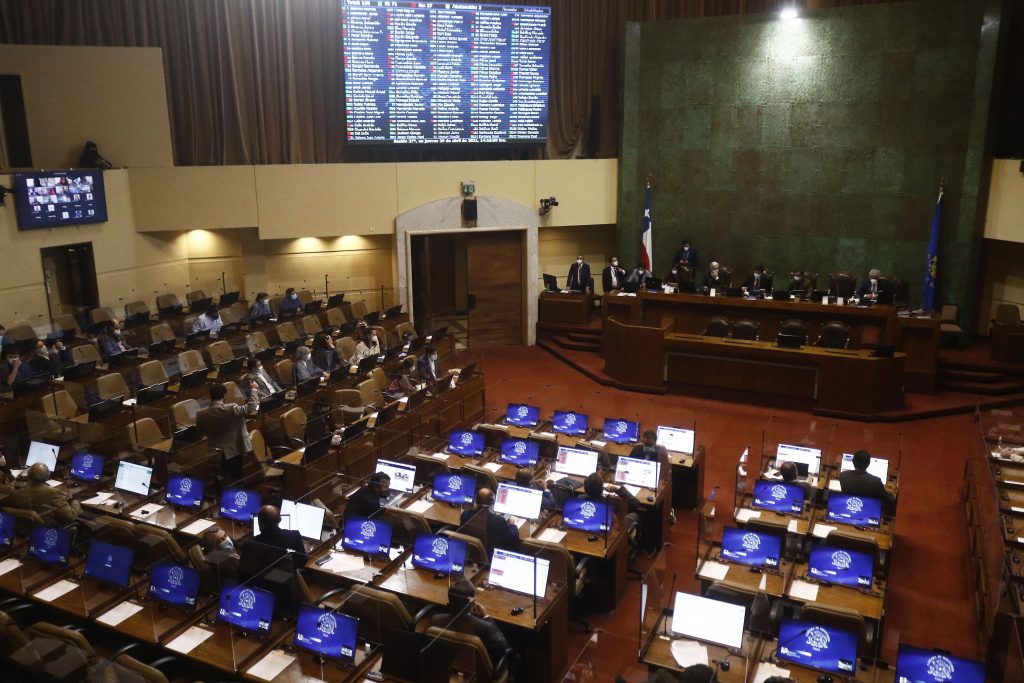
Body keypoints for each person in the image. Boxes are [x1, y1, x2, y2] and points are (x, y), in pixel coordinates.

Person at [430, 577, 509, 666]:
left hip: (448, 665)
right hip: (478, 670)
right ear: (472, 602)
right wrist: (486, 617)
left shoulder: (436, 619)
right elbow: (503, 646)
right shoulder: (485, 627)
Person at [195, 381, 260, 483]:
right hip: (234, 450)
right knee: (236, 479)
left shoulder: (201, 414)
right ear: (224, 395)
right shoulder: (231, 408)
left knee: (221, 480)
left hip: (216, 453)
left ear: (210, 396)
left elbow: (201, 432)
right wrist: (254, 389)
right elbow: (251, 407)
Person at [2, 463, 82, 524]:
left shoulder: (18, 493)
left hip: (26, 528)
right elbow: (69, 516)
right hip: (48, 528)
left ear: (29, 476)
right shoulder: (55, 493)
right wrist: (76, 501)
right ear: (47, 477)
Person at [460, 488, 521, 552]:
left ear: (475, 501)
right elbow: (511, 537)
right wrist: (513, 525)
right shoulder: (499, 521)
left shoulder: (465, 515)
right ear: (492, 505)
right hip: (489, 555)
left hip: (468, 551)